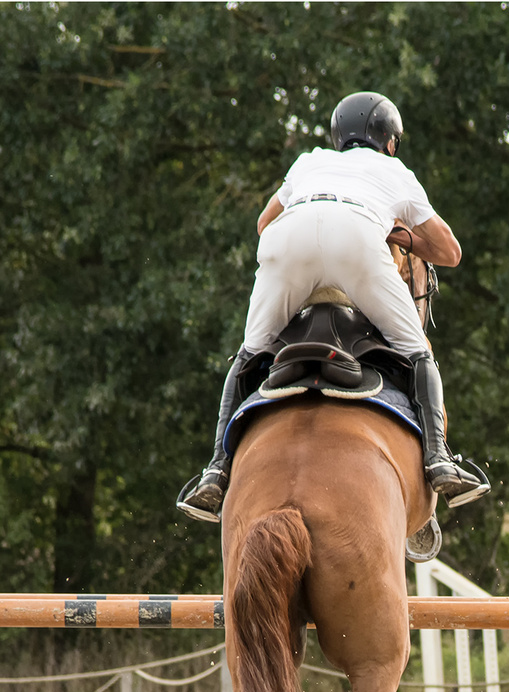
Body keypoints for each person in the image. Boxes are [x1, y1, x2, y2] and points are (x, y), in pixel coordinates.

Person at [177, 91, 489, 523]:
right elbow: (449, 251)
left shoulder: (309, 161)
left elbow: (263, 224)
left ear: (338, 135)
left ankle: (214, 471)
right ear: (390, 141)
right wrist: (398, 235)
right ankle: (438, 460)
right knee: (418, 352)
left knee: (249, 353)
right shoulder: (394, 169)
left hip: (289, 239)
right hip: (357, 238)